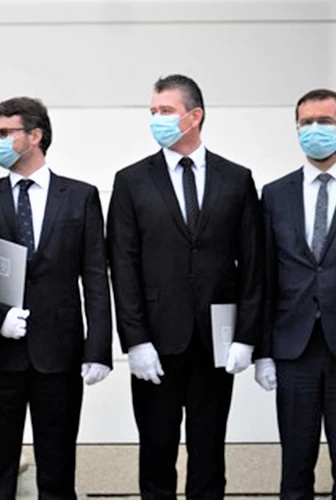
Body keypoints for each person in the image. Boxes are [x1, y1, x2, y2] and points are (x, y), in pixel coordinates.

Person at [107, 74, 263, 499]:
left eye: (166, 111)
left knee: (209, 450)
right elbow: (122, 266)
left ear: (194, 116)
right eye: (153, 111)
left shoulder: (236, 179)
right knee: (157, 451)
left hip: (217, 340)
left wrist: (248, 337)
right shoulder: (131, 181)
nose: (156, 119)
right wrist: (134, 340)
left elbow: (253, 264)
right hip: (157, 341)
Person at [0, 97, 112, 499]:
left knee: (57, 466)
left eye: (4, 133)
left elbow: (95, 276)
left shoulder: (80, 196)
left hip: (60, 350)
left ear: (35, 136)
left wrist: (98, 347)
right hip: (1, 351)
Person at [255, 88, 336, 498]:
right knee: (295, 467)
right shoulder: (275, 194)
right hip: (294, 349)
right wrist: (263, 350)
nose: (315, 130)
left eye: (325, 122)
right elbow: (264, 277)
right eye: (307, 123)